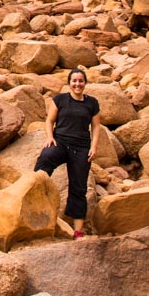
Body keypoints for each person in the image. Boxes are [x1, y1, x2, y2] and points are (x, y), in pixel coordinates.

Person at [33, 67, 101, 239]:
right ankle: (34, 193)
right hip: (61, 142)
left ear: (85, 83)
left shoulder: (92, 103)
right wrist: (49, 137)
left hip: (81, 148)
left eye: (80, 81)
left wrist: (94, 147)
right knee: (46, 157)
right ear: (69, 83)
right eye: (74, 81)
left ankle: (77, 231)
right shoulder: (60, 100)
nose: (77, 84)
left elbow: (96, 126)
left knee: (79, 187)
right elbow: (49, 121)